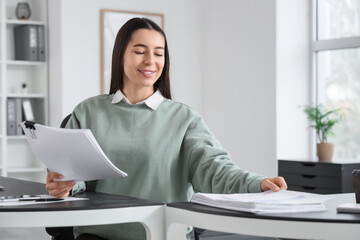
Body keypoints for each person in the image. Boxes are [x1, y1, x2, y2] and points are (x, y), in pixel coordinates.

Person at [46, 17, 287, 240]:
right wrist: (64, 184)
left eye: (158, 54)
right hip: (98, 236)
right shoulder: (88, 112)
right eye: (140, 51)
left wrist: (258, 183)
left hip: (164, 235)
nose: (150, 61)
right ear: (120, 55)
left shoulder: (184, 119)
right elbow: (73, 177)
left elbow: (216, 169)